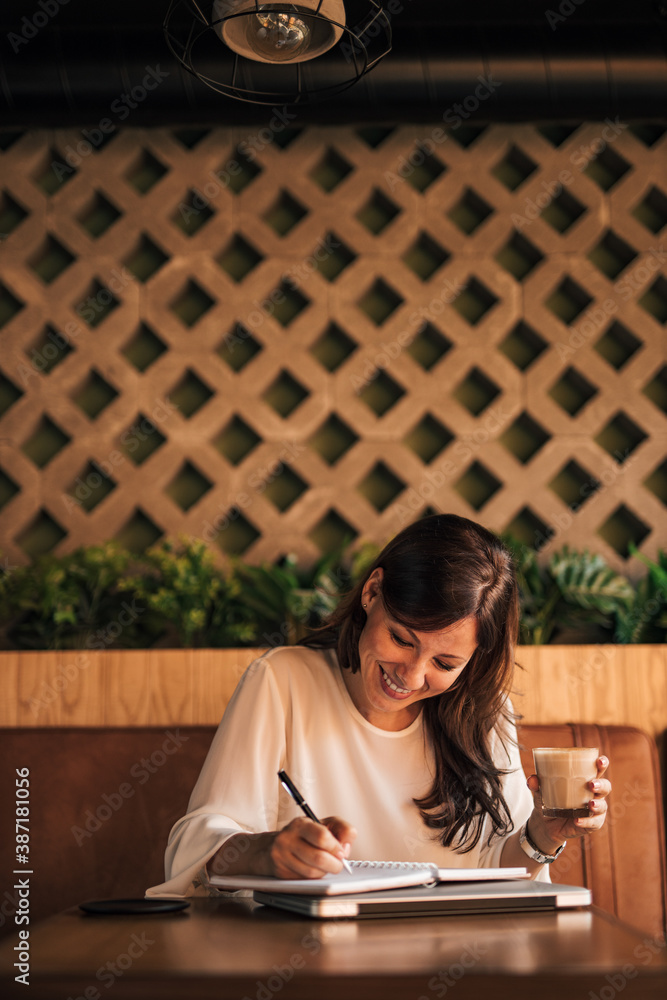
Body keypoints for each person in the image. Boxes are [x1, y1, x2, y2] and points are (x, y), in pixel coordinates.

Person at [146, 513, 611, 897]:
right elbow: (196, 843)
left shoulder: (484, 713)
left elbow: (497, 871)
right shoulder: (282, 680)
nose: (410, 676)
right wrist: (265, 852)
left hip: (456, 960)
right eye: (401, 639)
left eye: (445, 663)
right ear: (372, 593)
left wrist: (544, 835)